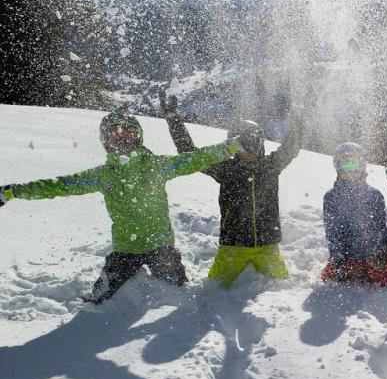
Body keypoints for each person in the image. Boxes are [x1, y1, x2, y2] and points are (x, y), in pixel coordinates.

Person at [0, 109, 242, 303]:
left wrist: (229, 147)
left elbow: (194, 160)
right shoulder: (104, 175)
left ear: (137, 137)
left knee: (180, 296)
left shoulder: (157, 165)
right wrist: (15, 191)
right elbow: (60, 185)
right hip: (125, 250)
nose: (121, 137)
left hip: (162, 247)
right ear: (106, 141)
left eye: (127, 133)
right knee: (98, 301)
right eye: (114, 134)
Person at [159, 88, 303, 287]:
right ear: (233, 147)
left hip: (268, 247)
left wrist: (299, 118)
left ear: (262, 143)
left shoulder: (271, 166)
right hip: (232, 247)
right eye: (243, 145)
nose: (251, 150)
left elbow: (292, 146)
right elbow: (189, 154)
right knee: (214, 291)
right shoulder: (227, 170)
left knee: (282, 290)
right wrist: (173, 119)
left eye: (255, 143)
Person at [321, 143, 387, 285]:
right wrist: (338, 259)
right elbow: (332, 232)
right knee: (330, 278)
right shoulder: (331, 197)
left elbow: (380, 228)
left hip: (370, 255)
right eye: (344, 165)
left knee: (385, 280)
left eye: (353, 165)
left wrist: (379, 254)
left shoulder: (374, 195)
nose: (349, 171)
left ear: (362, 166)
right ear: (337, 167)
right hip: (346, 255)